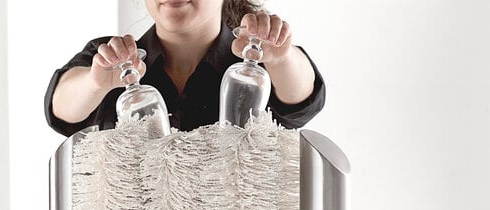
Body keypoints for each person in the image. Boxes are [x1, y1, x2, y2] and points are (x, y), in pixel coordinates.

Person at [45, 0, 325, 136]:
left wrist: (281, 58)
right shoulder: (108, 58)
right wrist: (95, 82)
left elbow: (302, 99)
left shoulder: (259, 64)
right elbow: (62, 109)